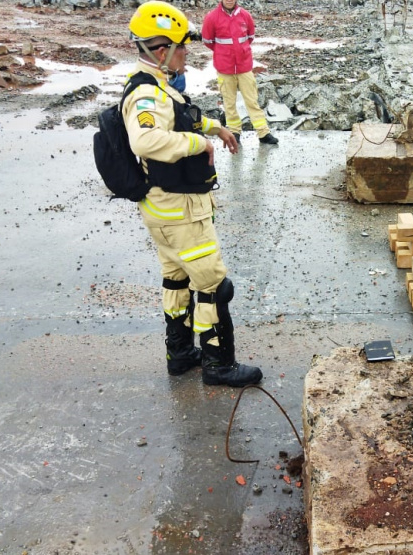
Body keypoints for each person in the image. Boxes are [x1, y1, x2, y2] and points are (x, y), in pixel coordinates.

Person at [125, 1, 263, 387]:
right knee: (214, 285)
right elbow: (146, 137)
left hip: (165, 211)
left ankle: (181, 354)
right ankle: (219, 364)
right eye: (182, 46)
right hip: (180, 211)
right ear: (160, 49)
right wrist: (197, 144)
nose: (188, 52)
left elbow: (183, 113)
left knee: (176, 280)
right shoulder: (145, 94)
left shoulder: (158, 85)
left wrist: (216, 128)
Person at [202, 0, 278, 145]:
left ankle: (263, 133)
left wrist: (240, 53)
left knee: (252, 101)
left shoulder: (245, 15)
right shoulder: (212, 17)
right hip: (224, 68)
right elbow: (208, 40)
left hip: (244, 67)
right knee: (229, 102)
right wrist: (222, 53)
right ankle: (234, 132)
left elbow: (250, 36)